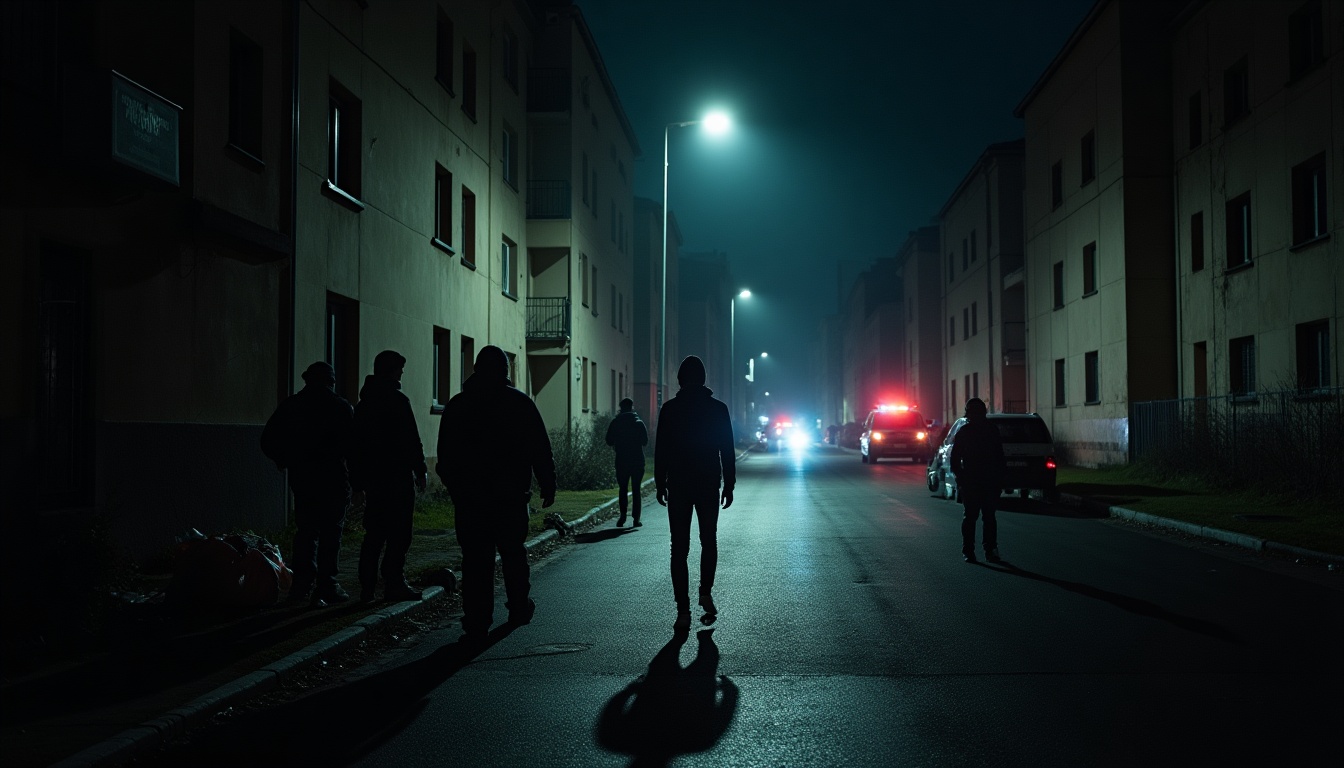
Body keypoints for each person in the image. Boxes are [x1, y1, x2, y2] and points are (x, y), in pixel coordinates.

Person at [437, 345, 556, 642]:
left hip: (471, 499)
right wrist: (547, 481)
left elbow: (446, 455)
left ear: (476, 369)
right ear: (505, 371)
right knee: (513, 554)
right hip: (510, 496)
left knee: (476, 560)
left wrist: (457, 490)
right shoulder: (520, 404)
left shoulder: (459, 405)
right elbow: (539, 447)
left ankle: (477, 621)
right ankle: (518, 607)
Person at [260, 361, 357, 606]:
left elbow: (268, 439)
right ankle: (327, 585)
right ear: (331, 382)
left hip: (303, 479)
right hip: (334, 479)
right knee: (331, 534)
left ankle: (301, 586)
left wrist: (285, 459)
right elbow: (353, 448)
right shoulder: (340, 407)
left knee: (306, 532)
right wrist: (357, 481)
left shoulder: (292, 406)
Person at [654, 355, 735, 631]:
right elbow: (727, 448)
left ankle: (683, 609)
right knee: (708, 540)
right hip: (708, 483)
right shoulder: (718, 409)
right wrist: (730, 483)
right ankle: (705, 592)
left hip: (679, 484)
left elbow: (661, 449)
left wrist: (659, 481)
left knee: (679, 547)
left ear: (680, 379)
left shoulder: (670, 409)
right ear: (703, 379)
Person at [351, 350, 428, 602]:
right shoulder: (398, 401)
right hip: (397, 478)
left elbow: (356, 447)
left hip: (375, 479)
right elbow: (411, 439)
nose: (402, 373)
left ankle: (367, 587)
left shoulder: (364, 405)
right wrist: (420, 470)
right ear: (392, 370)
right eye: (400, 368)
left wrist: (358, 482)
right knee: (399, 533)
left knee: (374, 534)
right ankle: (394, 582)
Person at [949, 397, 1005, 563]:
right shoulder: (987, 430)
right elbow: (1000, 457)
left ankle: (972, 550)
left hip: (979, 480)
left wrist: (961, 478)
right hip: (981, 480)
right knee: (985, 517)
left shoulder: (969, 431)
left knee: (975, 517)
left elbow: (955, 459)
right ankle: (986, 550)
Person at [606, 397, 648, 527]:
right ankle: (636, 519)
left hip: (622, 460)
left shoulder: (616, 423)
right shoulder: (639, 423)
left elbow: (609, 441)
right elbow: (645, 442)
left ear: (621, 408)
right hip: (637, 460)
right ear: (631, 407)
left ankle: (623, 516)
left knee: (623, 488)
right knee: (636, 489)